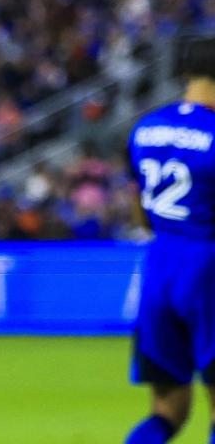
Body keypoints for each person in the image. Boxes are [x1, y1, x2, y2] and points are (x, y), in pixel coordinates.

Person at [125, 36, 215, 443]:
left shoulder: (145, 128)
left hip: (159, 264)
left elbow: (139, 208)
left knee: (167, 409)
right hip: (207, 267)